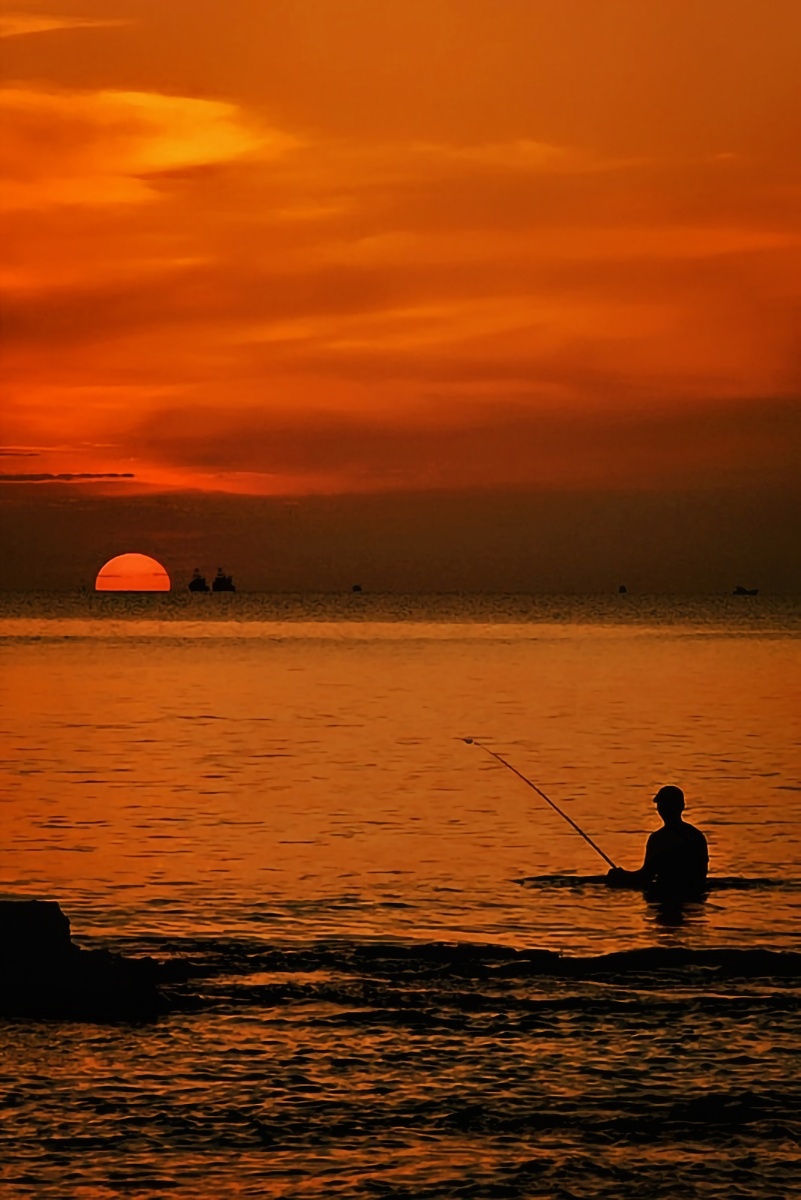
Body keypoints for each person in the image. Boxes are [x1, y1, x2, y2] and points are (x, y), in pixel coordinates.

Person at [606, 785, 708, 898]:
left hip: (665, 896)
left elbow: (645, 877)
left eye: (663, 804)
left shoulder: (658, 839)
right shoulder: (697, 836)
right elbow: (701, 875)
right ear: (682, 806)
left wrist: (623, 876)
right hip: (696, 895)